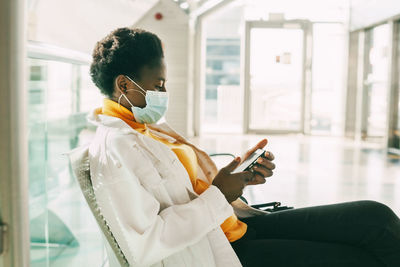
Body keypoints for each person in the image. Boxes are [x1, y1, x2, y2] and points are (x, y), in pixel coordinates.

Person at [87, 27, 400, 267]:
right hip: (222, 249)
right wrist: (221, 193)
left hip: (232, 225)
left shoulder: (144, 127)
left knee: (376, 217)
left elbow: (185, 188)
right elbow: (144, 243)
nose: (163, 91)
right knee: (361, 257)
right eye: (158, 84)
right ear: (124, 85)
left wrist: (238, 175)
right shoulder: (116, 150)